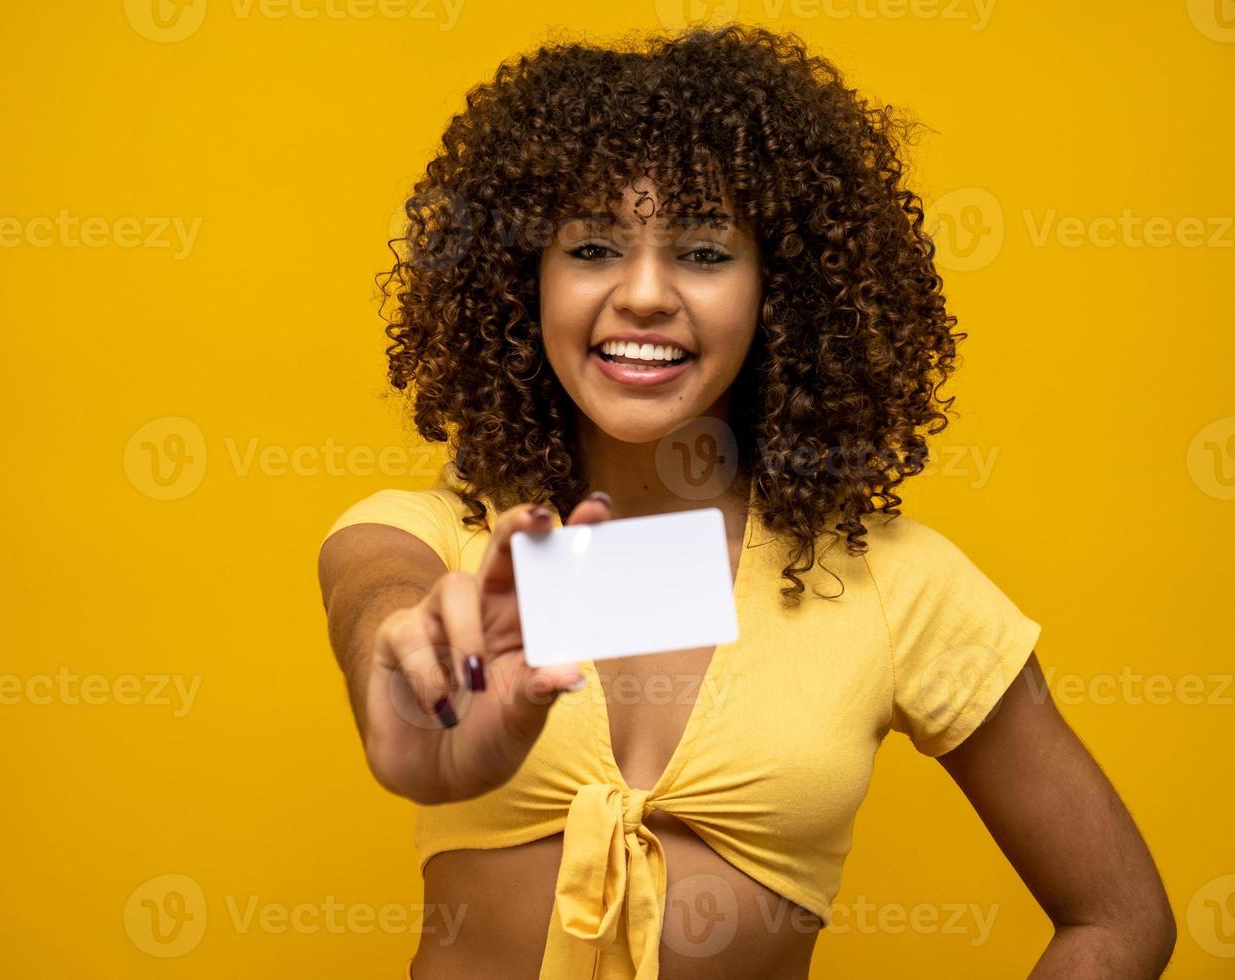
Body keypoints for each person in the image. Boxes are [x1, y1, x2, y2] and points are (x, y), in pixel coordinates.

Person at [317, 24, 1175, 979]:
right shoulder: (434, 537)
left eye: (704, 252)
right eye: (594, 246)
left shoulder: (892, 582)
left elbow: (1115, 919)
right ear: (526, 283)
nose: (644, 294)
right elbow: (378, 601)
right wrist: (408, 646)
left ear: (783, 290)